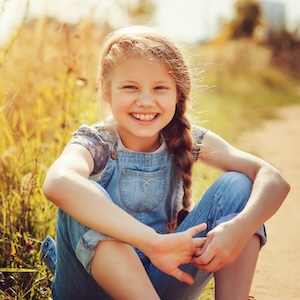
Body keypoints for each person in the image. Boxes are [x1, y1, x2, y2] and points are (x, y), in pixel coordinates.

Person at [42, 25, 290, 300]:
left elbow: (274, 179)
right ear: (106, 90)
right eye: (130, 87)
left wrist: (240, 228)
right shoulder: (95, 144)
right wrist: (153, 244)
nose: (146, 101)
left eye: (160, 87)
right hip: (89, 289)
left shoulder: (185, 138)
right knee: (82, 195)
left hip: (163, 284)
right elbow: (57, 182)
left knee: (239, 184)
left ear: (177, 94)